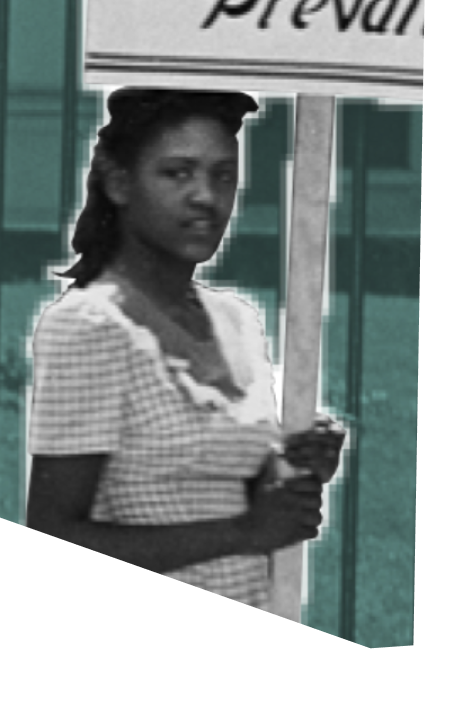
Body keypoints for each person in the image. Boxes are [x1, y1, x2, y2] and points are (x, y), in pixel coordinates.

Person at [26, 89, 344, 609]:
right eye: (177, 173)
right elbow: (54, 538)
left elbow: (240, 487)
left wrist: (297, 460)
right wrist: (243, 532)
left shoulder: (236, 319)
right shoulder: (89, 327)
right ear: (119, 182)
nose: (206, 197)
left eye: (223, 175)